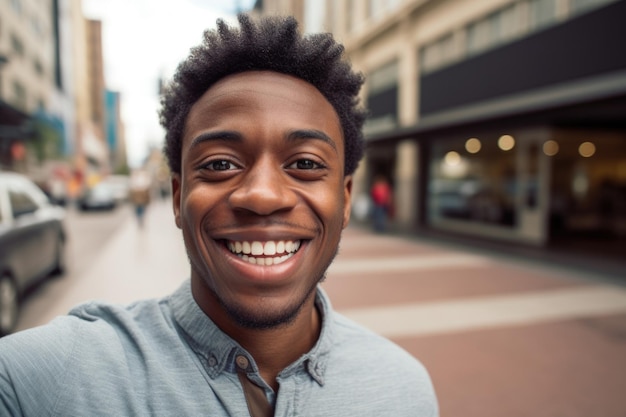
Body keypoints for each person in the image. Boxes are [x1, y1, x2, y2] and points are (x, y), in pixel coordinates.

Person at [0, 14, 438, 416]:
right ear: (177, 197)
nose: (263, 196)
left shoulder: (405, 389)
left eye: (305, 163)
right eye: (220, 164)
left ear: (344, 200)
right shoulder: (42, 380)